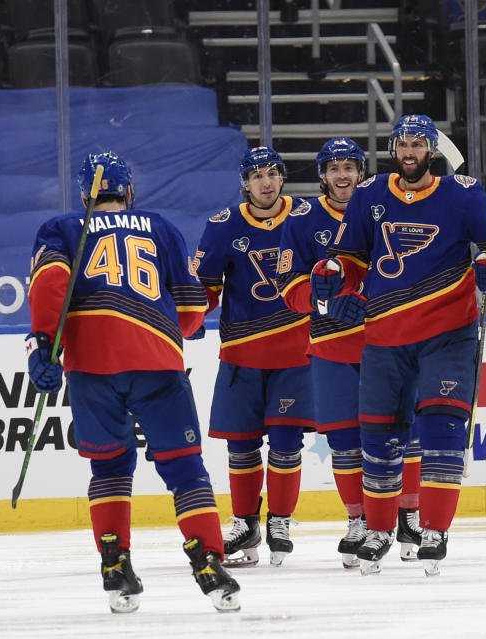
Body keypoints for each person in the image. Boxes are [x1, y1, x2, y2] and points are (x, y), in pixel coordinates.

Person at [310, 115, 486, 576]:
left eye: (418, 144)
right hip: (385, 337)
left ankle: (434, 528)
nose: (409, 151)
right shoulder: (370, 194)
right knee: (377, 437)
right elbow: (349, 257)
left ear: (433, 150)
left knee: (441, 430)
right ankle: (379, 529)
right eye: (402, 143)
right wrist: (339, 284)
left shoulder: (464, 194)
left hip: (447, 335)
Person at [26, 151, 240, 613]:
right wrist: (184, 321)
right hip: (156, 362)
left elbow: (49, 286)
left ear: (85, 196)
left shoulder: (62, 228)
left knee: (108, 468)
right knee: (184, 467)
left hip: (91, 366)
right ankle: (208, 559)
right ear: (128, 192)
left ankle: (114, 561)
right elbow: (189, 311)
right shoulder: (160, 226)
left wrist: (43, 347)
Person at [276, 137, 424, 569]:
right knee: (344, 440)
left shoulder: (388, 206)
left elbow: (413, 269)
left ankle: (409, 516)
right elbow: (289, 288)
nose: (342, 175)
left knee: (402, 432)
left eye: (350, 166)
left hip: (390, 339)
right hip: (331, 343)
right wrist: (324, 303)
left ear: (361, 171)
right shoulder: (303, 219)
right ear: (322, 175)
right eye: (334, 167)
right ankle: (358, 521)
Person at [193, 146, 313, 568]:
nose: (265, 182)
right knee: (241, 447)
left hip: (295, 351)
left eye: (272, 174)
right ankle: (245, 522)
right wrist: (185, 314)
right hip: (242, 353)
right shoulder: (222, 226)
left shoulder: (307, 217)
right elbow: (204, 289)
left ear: (282, 178)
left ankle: (279, 520)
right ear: (244, 183)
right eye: (256, 175)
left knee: (285, 443)